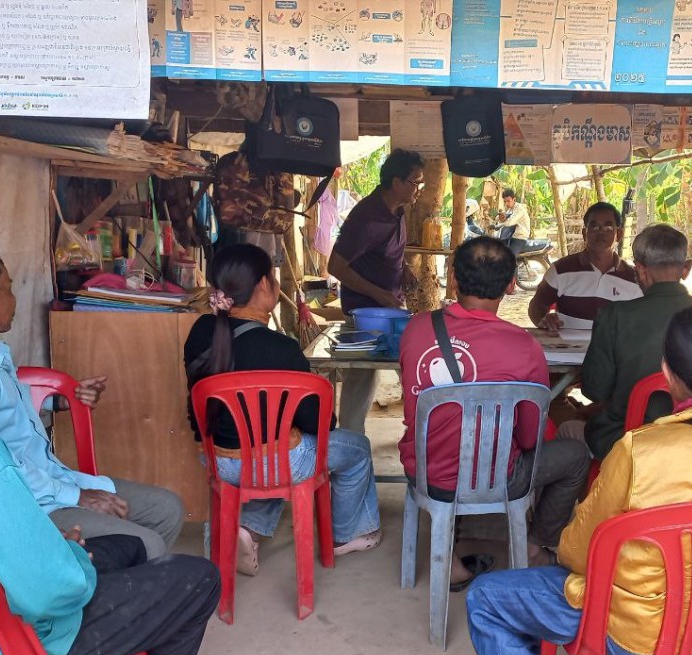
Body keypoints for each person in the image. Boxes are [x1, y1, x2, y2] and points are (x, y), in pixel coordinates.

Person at [466, 301, 692, 655]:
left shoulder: (640, 450)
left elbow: (578, 552)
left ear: (667, 373)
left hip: (634, 638)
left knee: (486, 599)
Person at [0, 267, 220, 655]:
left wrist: (57, 551)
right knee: (199, 580)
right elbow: (48, 590)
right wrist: (71, 558)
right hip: (6, 646)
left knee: (130, 548)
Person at [0, 239, 185, 560]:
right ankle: (113, 584)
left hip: (54, 479)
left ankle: (128, 579)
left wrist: (59, 403)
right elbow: (5, 473)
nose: (14, 298)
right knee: (146, 544)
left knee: (167, 509)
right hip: (34, 504)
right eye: (8, 287)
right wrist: (77, 496)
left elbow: (11, 415)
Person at [399, 237, 590, 586]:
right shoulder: (524, 347)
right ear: (511, 285)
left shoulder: (415, 329)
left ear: (453, 279)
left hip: (425, 474)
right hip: (498, 479)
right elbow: (530, 439)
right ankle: (534, 549)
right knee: (576, 456)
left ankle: (450, 562)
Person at [184, 244, 381, 576]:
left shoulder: (200, 331)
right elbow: (321, 424)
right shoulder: (282, 349)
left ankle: (247, 531)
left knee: (273, 443)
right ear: (264, 284)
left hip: (216, 460)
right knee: (354, 448)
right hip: (271, 464)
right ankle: (348, 533)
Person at [558, 224, 692, 459]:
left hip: (625, 439)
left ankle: (600, 484)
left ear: (640, 270)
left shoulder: (614, 316)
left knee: (567, 429)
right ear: (686, 269)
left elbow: (595, 390)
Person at [329, 148, 424, 434]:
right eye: (415, 182)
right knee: (361, 379)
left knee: (408, 367)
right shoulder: (366, 218)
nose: (419, 188)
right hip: (365, 314)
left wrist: (403, 267)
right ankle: (350, 440)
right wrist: (378, 293)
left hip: (389, 308)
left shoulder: (397, 210)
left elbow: (384, 251)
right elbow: (336, 266)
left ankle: (420, 435)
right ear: (396, 182)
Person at [528, 202, 641, 332]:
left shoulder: (633, 278)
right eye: (594, 227)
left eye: (608, 228)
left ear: (619, 234)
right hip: (566, 345)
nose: (600, 233)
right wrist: (545, 320)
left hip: (615, 346)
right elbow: (536, 306)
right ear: (584, 233)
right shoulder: (560, 270)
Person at [214, 129, 297, 267]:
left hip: (236, 230)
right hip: (266, 230)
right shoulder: (280, 166)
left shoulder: (232, 162)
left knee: (235, 268)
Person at [495, 188, 532, 254]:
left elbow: (510, 222)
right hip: (510, 237)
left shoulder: (520, 209)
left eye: (508, 201)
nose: (506, 203)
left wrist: (502, 221)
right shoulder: (510, 209)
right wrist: (500, 218)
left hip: (519, 238)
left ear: (514, 199)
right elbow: (498, 218)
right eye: (505, 201)